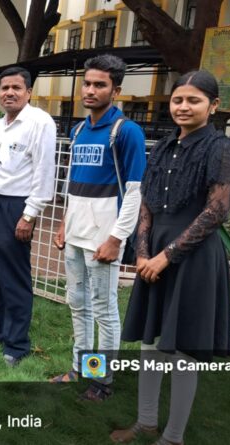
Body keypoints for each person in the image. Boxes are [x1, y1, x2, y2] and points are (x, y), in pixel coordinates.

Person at [110, 71, 230, 445]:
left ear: (213, 106)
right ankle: (146, 422)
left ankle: (173, 436)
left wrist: (167, 256)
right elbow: (147, 204)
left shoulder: (221, 148)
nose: (184, 107)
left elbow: (216, 211)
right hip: (155, 256)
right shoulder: (163, 146)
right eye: (178, 99)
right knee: (151, 344)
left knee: (182, 350)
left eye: (194, 100)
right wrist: (144, 251)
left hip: (194, 259)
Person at [50, 54, 147, 401]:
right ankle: (80, 367)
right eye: (87, 83)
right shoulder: (78, 129)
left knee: (103, 308)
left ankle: (101, 379)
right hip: (75, 234)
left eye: (99, 85)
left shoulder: (126, 131)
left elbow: (134, 192)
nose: (90, 90)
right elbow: (72, 184)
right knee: (77, 302)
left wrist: (116, 238)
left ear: (115, 90)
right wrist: (63, 223)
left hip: (103, 238)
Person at [0, 66, 56, 367]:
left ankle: (16, 344)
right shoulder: (0, 125)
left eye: (16, 88)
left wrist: (29, 215)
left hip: (15, 207)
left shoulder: (39, 123)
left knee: (13, 277)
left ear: (29, 92)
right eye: (5, 88)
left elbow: (45, 174)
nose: (9, 93)